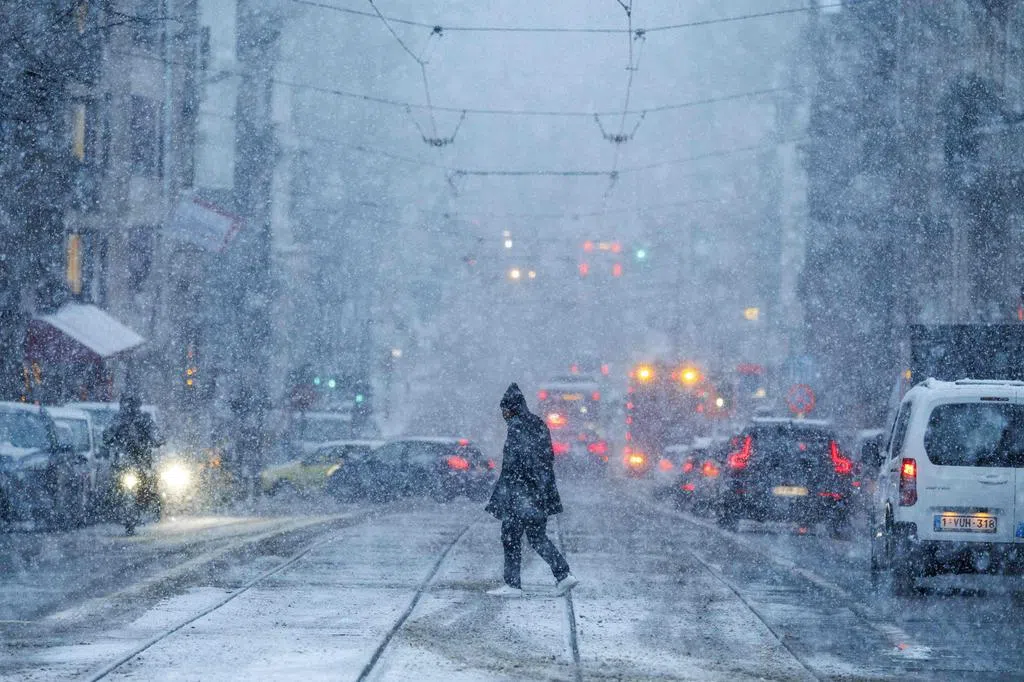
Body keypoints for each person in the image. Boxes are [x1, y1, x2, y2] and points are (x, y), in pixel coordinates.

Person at [485, 383, 579, 597]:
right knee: (537, 537)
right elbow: (548, 457)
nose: (504, 414)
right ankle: (564, 575)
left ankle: (512, 585)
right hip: (540, 492)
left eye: (505, 410)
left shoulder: (517, 427)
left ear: (513, 408)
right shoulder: (538, 424)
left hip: (521, 495)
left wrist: (509, 491)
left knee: (510, 536)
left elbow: (513, 464)